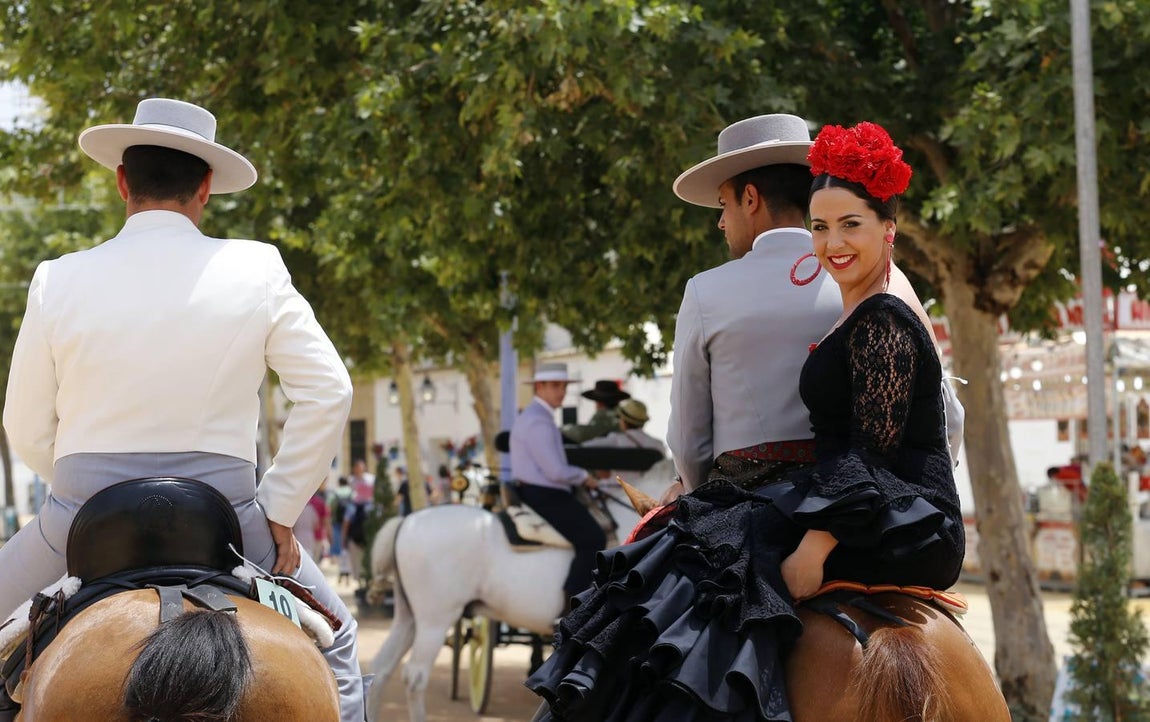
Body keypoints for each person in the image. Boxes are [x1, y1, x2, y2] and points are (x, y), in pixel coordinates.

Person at [526, 119, 964, 720]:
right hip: (884, 510)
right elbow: (947, 417)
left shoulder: (710, 290)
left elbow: (690, 438)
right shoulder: (875, 278)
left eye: (724, 205)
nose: (720, 221)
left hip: (763, 507)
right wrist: (906, 503)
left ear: (750, 198)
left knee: (620, 654)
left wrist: (696, 498)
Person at [0, 98, 366, 722]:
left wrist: (72, 486)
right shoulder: (258, 267)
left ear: (122, 181)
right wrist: (278, 506)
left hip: (81, 523)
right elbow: (329, 390)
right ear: (205, 188)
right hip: (227, 527)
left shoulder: (56, 278)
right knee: (340, 646)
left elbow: (24, 423)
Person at [510, 362, 605, 609]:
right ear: (539, 387)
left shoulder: (536, 417)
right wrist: (584, 476)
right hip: (545, 493)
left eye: (563, 386)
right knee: (594, 538)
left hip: (539, 491)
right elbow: (555, 471)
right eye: (554, 386)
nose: (561, 391)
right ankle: (571, 606)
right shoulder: (538, 421)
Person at [582, 398, 666, 487]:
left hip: (614, 493)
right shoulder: (658, 445)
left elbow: (583, 447)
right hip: (647, 493)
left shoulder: (614, 440)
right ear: (643, 422)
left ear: (623, 420)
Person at [561, 379, 631, 443]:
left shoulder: (604, 416)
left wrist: (562, 429)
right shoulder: (624, 416)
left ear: (599, 403)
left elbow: (583, 434)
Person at [294, 484, 332, 562]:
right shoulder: (320, 502)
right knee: (315, 562)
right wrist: (329, 535)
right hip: (317, 536)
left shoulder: (298, 504)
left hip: (298, 537)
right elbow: (325, 520)